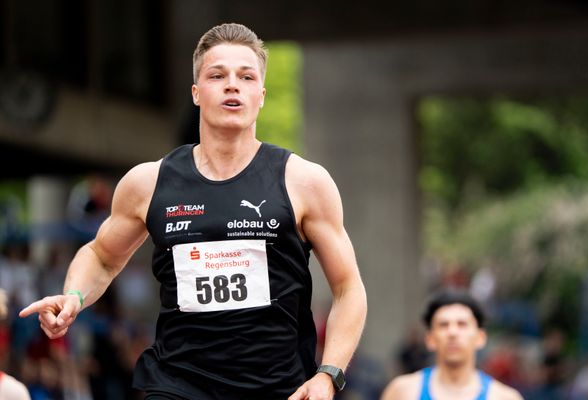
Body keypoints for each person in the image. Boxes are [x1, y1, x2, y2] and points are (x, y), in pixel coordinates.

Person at [19, 22, 367, 400]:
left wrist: (328, 375)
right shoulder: (149, 183)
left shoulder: (303, 182)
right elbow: (102, 257)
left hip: (277, 387)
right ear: (197, 93)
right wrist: (74, 295)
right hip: (176, 385)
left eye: (246, 76)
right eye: (217, 75)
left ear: (261, 94)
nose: (232, 85)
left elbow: (348, 288)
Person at [380, 289, 522, 400]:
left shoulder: (503, 397)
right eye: (443, 325)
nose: (452, 332)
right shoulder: (403, 392)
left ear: (480, 337)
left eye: (462, 324)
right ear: (430, 339)